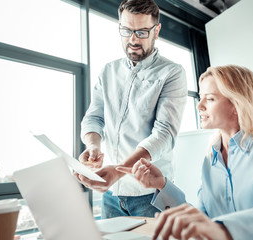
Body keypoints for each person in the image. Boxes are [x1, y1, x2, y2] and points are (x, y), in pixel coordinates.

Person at [117, 65, 253, 240]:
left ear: (236, 104)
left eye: (209, 98)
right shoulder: (211, 158)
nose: (199, 105)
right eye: (200, 98)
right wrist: (161, 184)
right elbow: (204, 220)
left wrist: (225, 229)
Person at [75, 0, 187, 219]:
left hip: (149, 195)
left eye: (142, 32)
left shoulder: (172, 73)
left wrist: (117, 170)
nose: (133, 40)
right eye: (126, 30)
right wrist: (93, 146)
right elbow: (94, 117)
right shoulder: (108, 71)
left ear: (157, 30)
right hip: (111, 195)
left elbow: (164, 134)